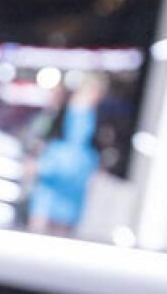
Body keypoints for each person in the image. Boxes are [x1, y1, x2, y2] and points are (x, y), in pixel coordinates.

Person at [26, 74, 108, 236]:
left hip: (68, 188)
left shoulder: (85, 116)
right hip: (56, 186)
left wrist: (43, 165)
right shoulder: (73, 111)